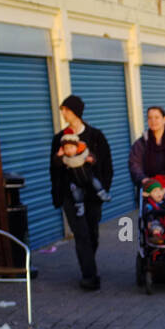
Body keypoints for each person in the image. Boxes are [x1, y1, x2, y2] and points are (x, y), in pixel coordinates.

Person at [50, 94, 113, 291]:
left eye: (66, 110)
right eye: (62, 110)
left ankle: (88, 265)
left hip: (93, 194)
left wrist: (103, 187)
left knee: (92, 233)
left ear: (76, 112)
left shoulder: (95, 136)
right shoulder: (59, 139)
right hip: (71, 193)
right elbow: (53, 168)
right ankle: (89, 277)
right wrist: (57, 193)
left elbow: (107, 165)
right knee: (81, 234)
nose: (63, 114)